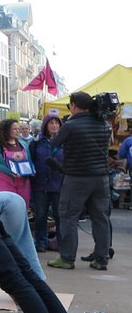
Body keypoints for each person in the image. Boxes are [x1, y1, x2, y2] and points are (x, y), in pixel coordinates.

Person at [49, 92, 113, 271]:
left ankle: (67, 258)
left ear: (74, 106)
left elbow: (54, 144)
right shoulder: (104, 124)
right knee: (101, 218)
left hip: (76, 177)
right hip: (101, 178)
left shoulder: (71, 125)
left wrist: (67, 121)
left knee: (69, 216)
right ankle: (101, 259)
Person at [30, 116, 65, 252]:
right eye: (51, 123)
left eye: (57, 123)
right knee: (40, 215)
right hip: (40, 184)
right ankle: (41, 243)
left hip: (59, 185)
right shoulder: (37, 142)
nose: (54, 126)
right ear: (45, 125)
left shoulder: (65, 141)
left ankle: (61, 243)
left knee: (59, 216)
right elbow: (31, 158)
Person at [0, 118, 33, 207]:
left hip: (23, 181)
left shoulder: (23, 144)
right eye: (14, 129)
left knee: (22, 206)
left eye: (18, 128)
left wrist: (32, 170)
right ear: (6, 130)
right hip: (4, 180)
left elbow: (29, 160)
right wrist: (9, 171)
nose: (17, 131)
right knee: (9, 206)